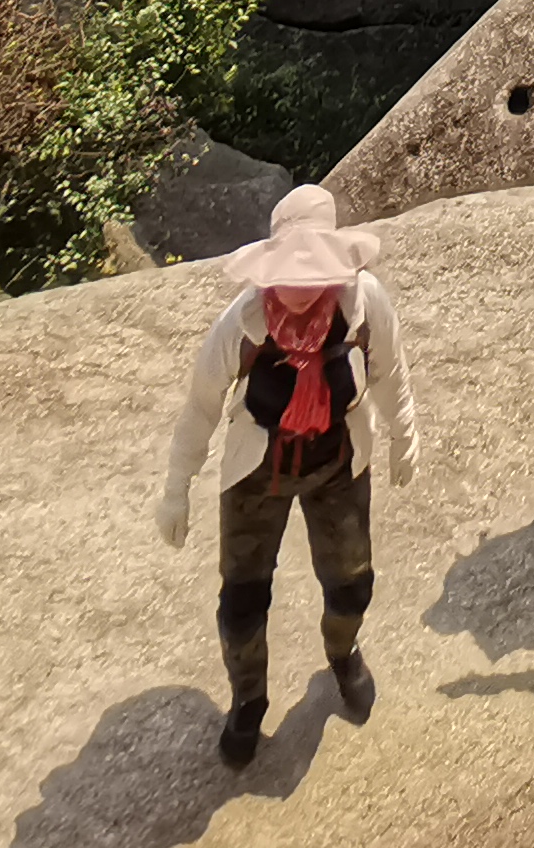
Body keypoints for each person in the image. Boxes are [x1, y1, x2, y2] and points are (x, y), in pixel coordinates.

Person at [156, 183, 418, 770]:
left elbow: (388, 370)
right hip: (258, 467)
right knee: (243, 600)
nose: (300, 287)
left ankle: (343, 652)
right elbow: (201, 404)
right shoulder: (244, 321)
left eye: (313, 269)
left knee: (352, 583)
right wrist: (178, 487)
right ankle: (248, 700)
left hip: (338, 459)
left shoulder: (361, 304)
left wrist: (405, 435)